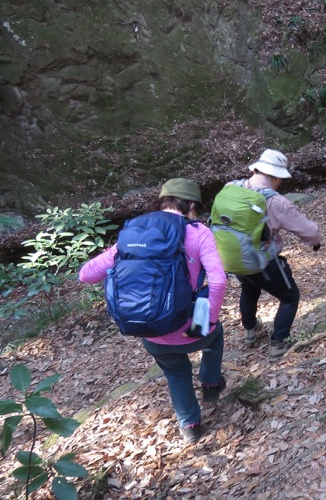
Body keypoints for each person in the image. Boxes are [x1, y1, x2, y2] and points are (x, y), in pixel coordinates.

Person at [79, 178, 227, 444]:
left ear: (163, 201)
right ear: (191, 204)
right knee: (215, 338)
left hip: (151, 330)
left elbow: (86, 275)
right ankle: (211, 384)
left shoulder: (135, 233)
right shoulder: (198, 232)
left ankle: (190, 426)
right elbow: (217, 280)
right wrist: (210, 320)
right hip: (191, 324)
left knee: (176, 372)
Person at [226, 149, 321, 358]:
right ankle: (279, 343)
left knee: (249, 289)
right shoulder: (276, 202)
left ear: (256, 169)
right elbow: (309, 230)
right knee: (290, 297)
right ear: (276, 177)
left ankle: (250, 330)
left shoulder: (231, 188)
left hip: (233, 257)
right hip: (263, 261)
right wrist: (315, 243)